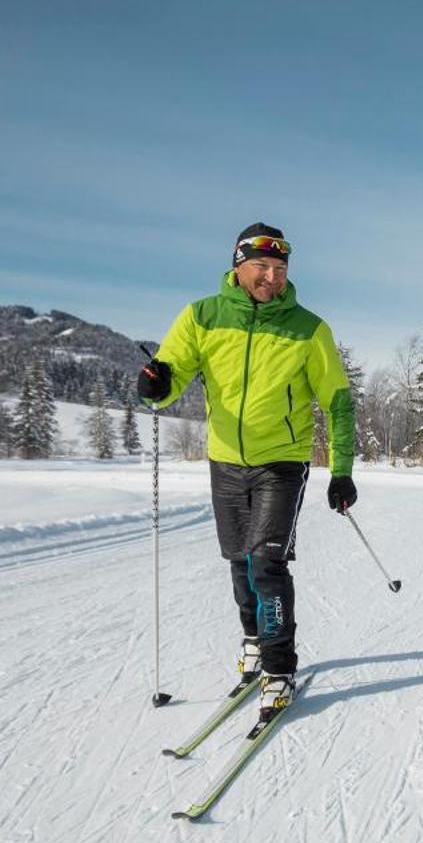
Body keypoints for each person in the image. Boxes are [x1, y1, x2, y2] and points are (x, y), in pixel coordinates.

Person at [137, 223, 357, 725]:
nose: (271, 278)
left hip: (282, 460)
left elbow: (340, 404)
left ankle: (280, 668)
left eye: (280, 270)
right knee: (238, 559)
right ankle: (254, 641)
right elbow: (171, 375)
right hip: (225, 460)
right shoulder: (203, 317)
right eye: (261, 267)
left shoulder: (308, 328)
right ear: (238, 266)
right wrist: (155, 385)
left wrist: (340, 471)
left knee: (266, 564)